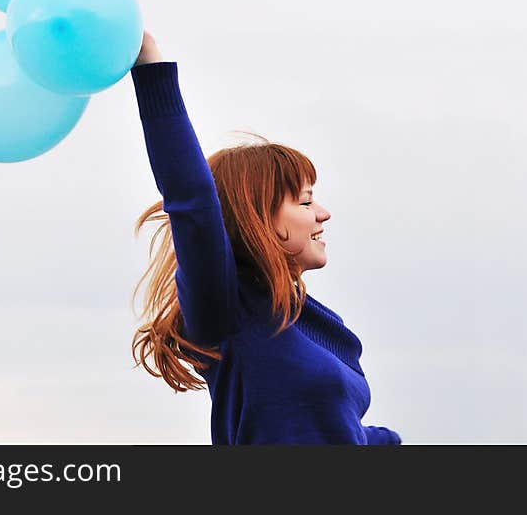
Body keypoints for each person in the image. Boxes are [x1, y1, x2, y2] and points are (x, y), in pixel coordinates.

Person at [129, 29, 401, 445]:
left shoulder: (316, 321)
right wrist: (152, 71)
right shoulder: (229, 309)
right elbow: (192, 201)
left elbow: (328, 430)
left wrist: (388, 440)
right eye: (306, 202)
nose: (324, 213)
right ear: (258, 218)